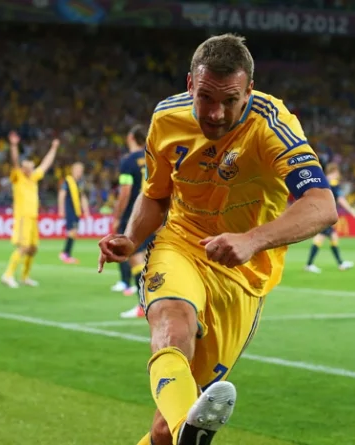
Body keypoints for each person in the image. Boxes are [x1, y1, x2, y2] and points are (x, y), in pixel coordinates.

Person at [96, 34, 338, 445]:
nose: (216, 113)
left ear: (249, 91)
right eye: (206, 97)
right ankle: (189, 433)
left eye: (230, 100)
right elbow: (155, 194)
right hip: (180, 244)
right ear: (190, 83)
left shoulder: (272, 125)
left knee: (164, 430)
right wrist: (132, 238)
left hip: (242, 272)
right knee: (173, 321)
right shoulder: (167, 119)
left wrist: (252, 240)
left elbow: (322, 204)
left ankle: (182, 433)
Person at [1, 131, 59, 288]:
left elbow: (45, 164)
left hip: (33, 217)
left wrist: (53, 148)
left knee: (33, 249)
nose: (33, 170)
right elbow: (15, 161)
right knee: (23, 247)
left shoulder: (33, 177)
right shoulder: (18, 177)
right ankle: (7, 275)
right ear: (24, 169)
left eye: (33, 167)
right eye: (30, 168)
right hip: (23, 217)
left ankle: (25, 276)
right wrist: (14, 145)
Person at [110, 124, 156, 318]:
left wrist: (117, 216)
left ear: (130, 137)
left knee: (135, 258)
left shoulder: (128, 162)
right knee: (147, 258)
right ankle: (154, 301)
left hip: (133, 215)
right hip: (153, 212)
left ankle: (143, 305)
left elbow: (125, 191)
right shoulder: (152, 157)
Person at [305, 162, 355, 273]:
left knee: (332, 237)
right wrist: (351, 210)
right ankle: (310, 265)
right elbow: (340, 199)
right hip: (326, 215)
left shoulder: (322, 181)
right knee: (321, 238)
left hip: (321, 213)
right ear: (335, 172)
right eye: (337, 173)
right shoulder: (333, 183)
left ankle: (340, 263)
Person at [58, 162, 90, 264]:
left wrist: (86, 210)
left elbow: (83, 197)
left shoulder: (80, 182)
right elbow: (62, 194)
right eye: (77, 170)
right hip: (69, 210)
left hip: (77, 211)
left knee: (74, 232)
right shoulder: (68, 181)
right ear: (72, 170)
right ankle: (65, 254)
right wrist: (61, 209)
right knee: (72, 231)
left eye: (81, 170)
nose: (79, 172)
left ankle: (66, 253)